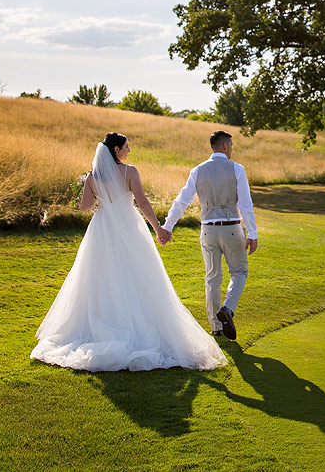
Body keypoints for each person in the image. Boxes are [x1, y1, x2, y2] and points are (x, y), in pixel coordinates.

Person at [30, 133, 225, 372]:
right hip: (128, 225)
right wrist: (158, 229)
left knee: (100, 276)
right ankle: (137, 326)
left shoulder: (93, 176)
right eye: (126, 147)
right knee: (137, 273)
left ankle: (102, 322)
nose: (128, 151)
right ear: (116, 149)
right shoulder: (129, 172)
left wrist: (90, 185)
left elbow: (85, 207)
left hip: (102, 227)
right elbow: (142, 203)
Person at [162, 130, 258, 341]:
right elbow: (245, 204)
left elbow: (182, 201)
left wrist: (168, 227)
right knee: (239, 272)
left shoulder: (198, 170)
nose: (231, 149)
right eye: (231, 145)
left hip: (208, 230)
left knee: (212, 278)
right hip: (232, 227)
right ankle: (228, 310)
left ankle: (217, 327)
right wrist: (252, 232)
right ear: (225, 146)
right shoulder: (237, 169)